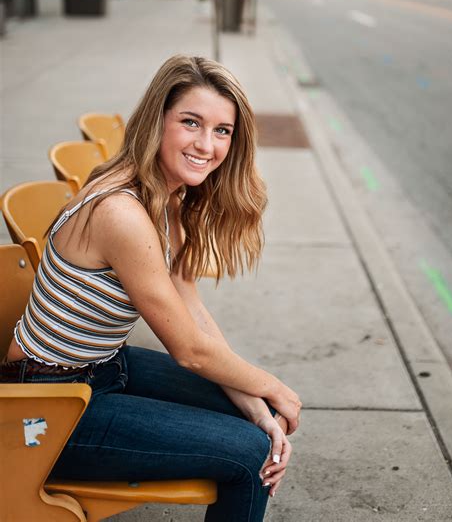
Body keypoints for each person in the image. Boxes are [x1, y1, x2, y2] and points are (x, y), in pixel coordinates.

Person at [2, 54, 301, 522]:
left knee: (255, 425)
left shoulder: (167, 196)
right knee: (248, 454)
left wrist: (260, 407)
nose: (207, 144)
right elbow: (189, 351)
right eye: (191, 123)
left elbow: (193, 315)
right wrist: (277, 388)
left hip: (102, 367)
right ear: (156, 121)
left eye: (223, 130)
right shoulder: (122, 212)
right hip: (46, 405)